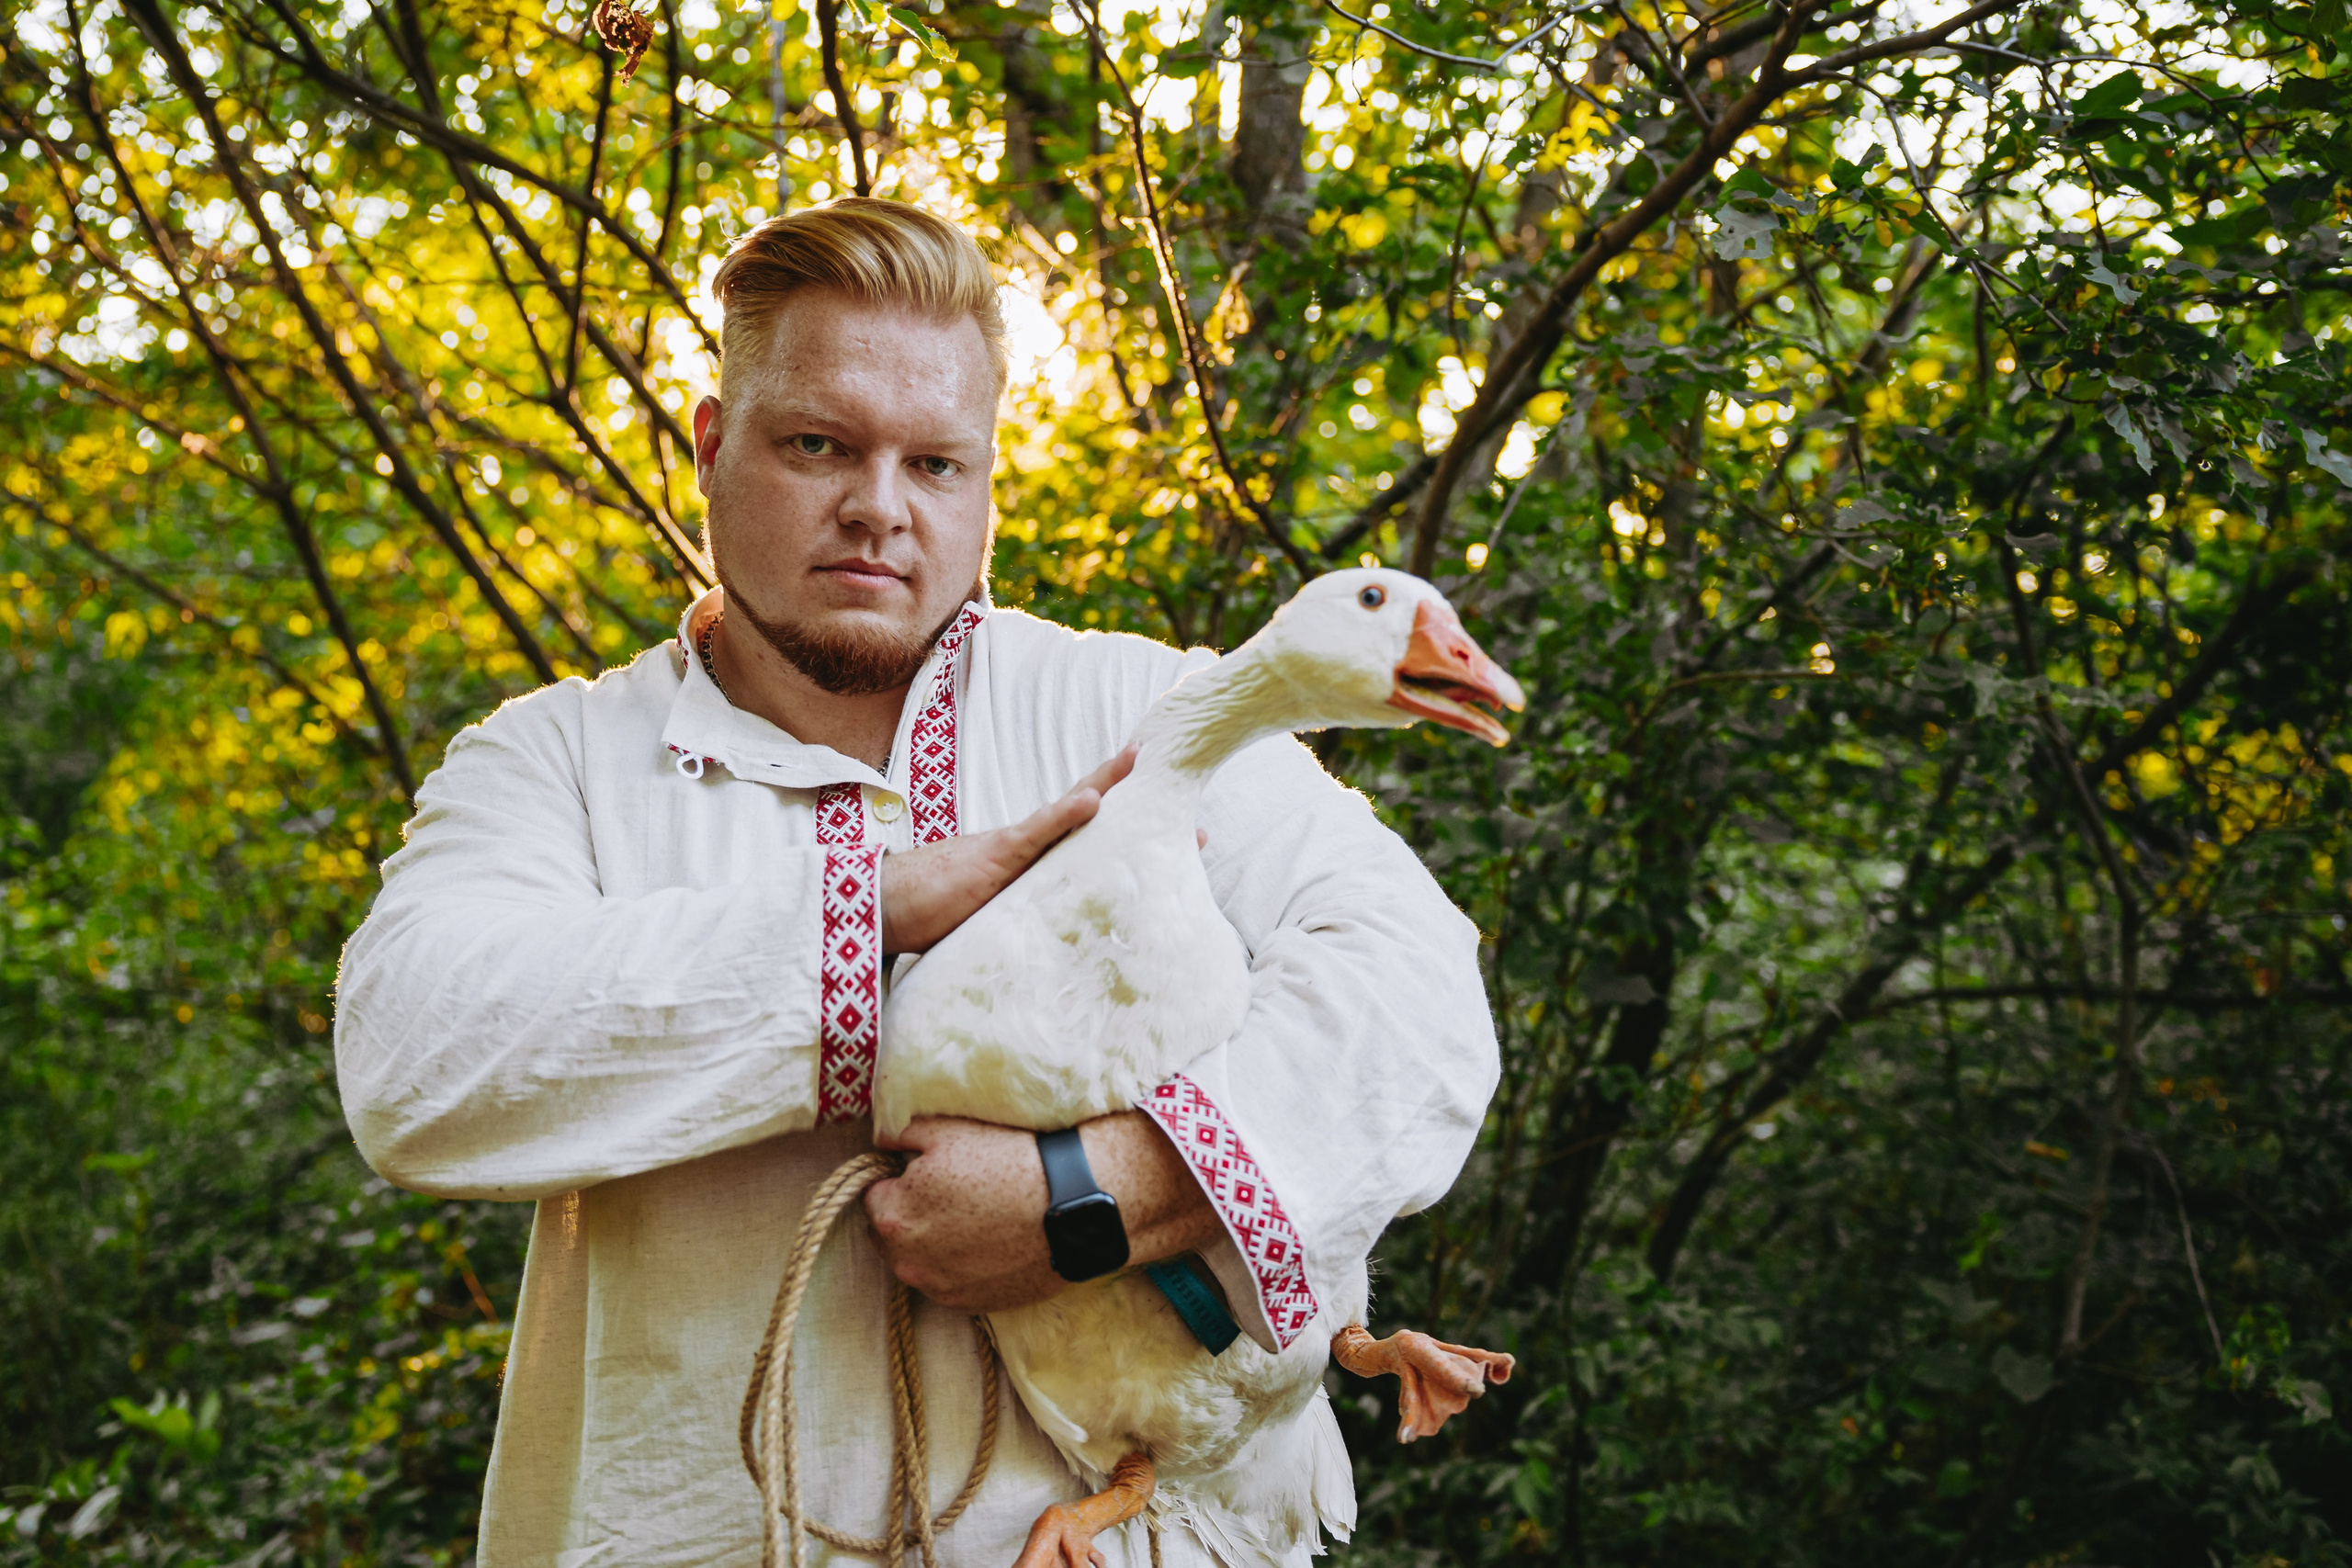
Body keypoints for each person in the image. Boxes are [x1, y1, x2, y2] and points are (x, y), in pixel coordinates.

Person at [334, 197, 1499, 1568]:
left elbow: (1416, 998)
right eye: (818, 444)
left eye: (936, 464)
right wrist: (869, 914)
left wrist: (1098, 1196)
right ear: (712, 448)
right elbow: (415, 1056)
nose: (878, 510)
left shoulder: (1142, 709)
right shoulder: (559, 763)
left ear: (990, 478)